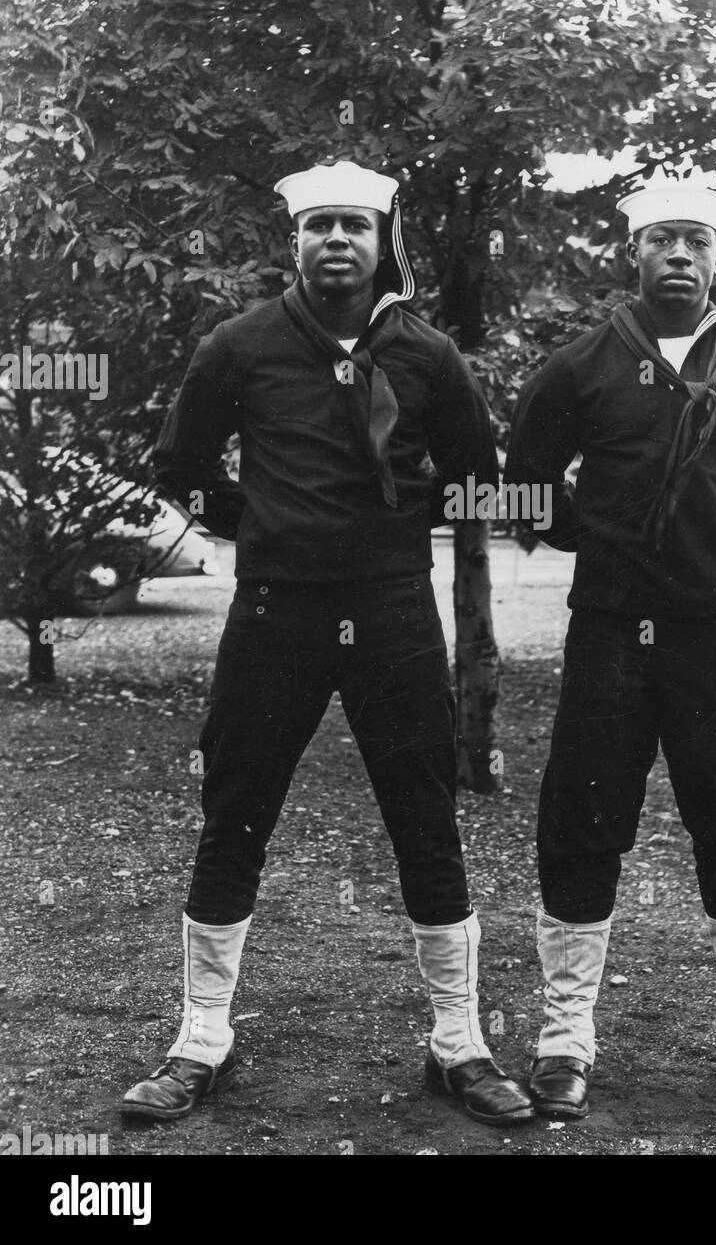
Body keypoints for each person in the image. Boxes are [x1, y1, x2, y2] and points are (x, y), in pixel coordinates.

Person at [121, 161, 534, 1127]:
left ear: (383, 242)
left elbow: (477, 477)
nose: (336, 240)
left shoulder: (429, 354)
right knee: (236, 812)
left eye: (354, 224)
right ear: (295, 242)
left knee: (424, 816)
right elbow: (179, 464)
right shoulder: (240, 344)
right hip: (277, 613)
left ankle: (460, 1042)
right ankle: (201, 1038)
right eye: (319, 227)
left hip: (394, 613)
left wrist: (393, 523)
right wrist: (265, 524)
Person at [504, 177, 716, 1118]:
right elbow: (524, 487)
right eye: (662, 239)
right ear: (634, 254)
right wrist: (597, 541)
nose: (680, 255)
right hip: (609, 632)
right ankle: (565, 1039)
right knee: (583, 821)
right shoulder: (581, 365)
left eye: (696, 239)